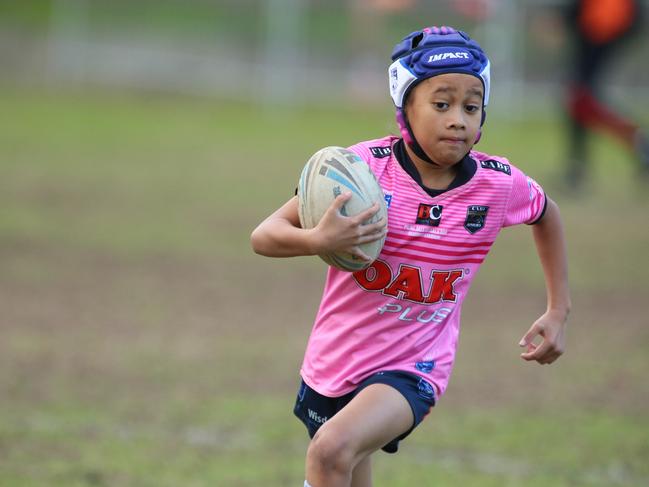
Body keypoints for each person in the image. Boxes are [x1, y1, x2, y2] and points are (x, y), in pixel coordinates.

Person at [251, 26, 571, 487]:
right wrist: (319, 240)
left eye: (471, 106)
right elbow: (265, 235)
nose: (458, 119)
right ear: (404, 107)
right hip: (336, 357)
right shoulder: (360, 169)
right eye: (442, 104)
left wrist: (557, 310)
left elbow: (546, 214)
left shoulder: (497, 184)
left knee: (330, 451)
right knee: (341, 467)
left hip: (414, 365)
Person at [563, 0, 649, 187]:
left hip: (602, 33)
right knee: (579, 101)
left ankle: (640, 143)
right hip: (592, 33)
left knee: (582, 100)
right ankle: (577, 166)